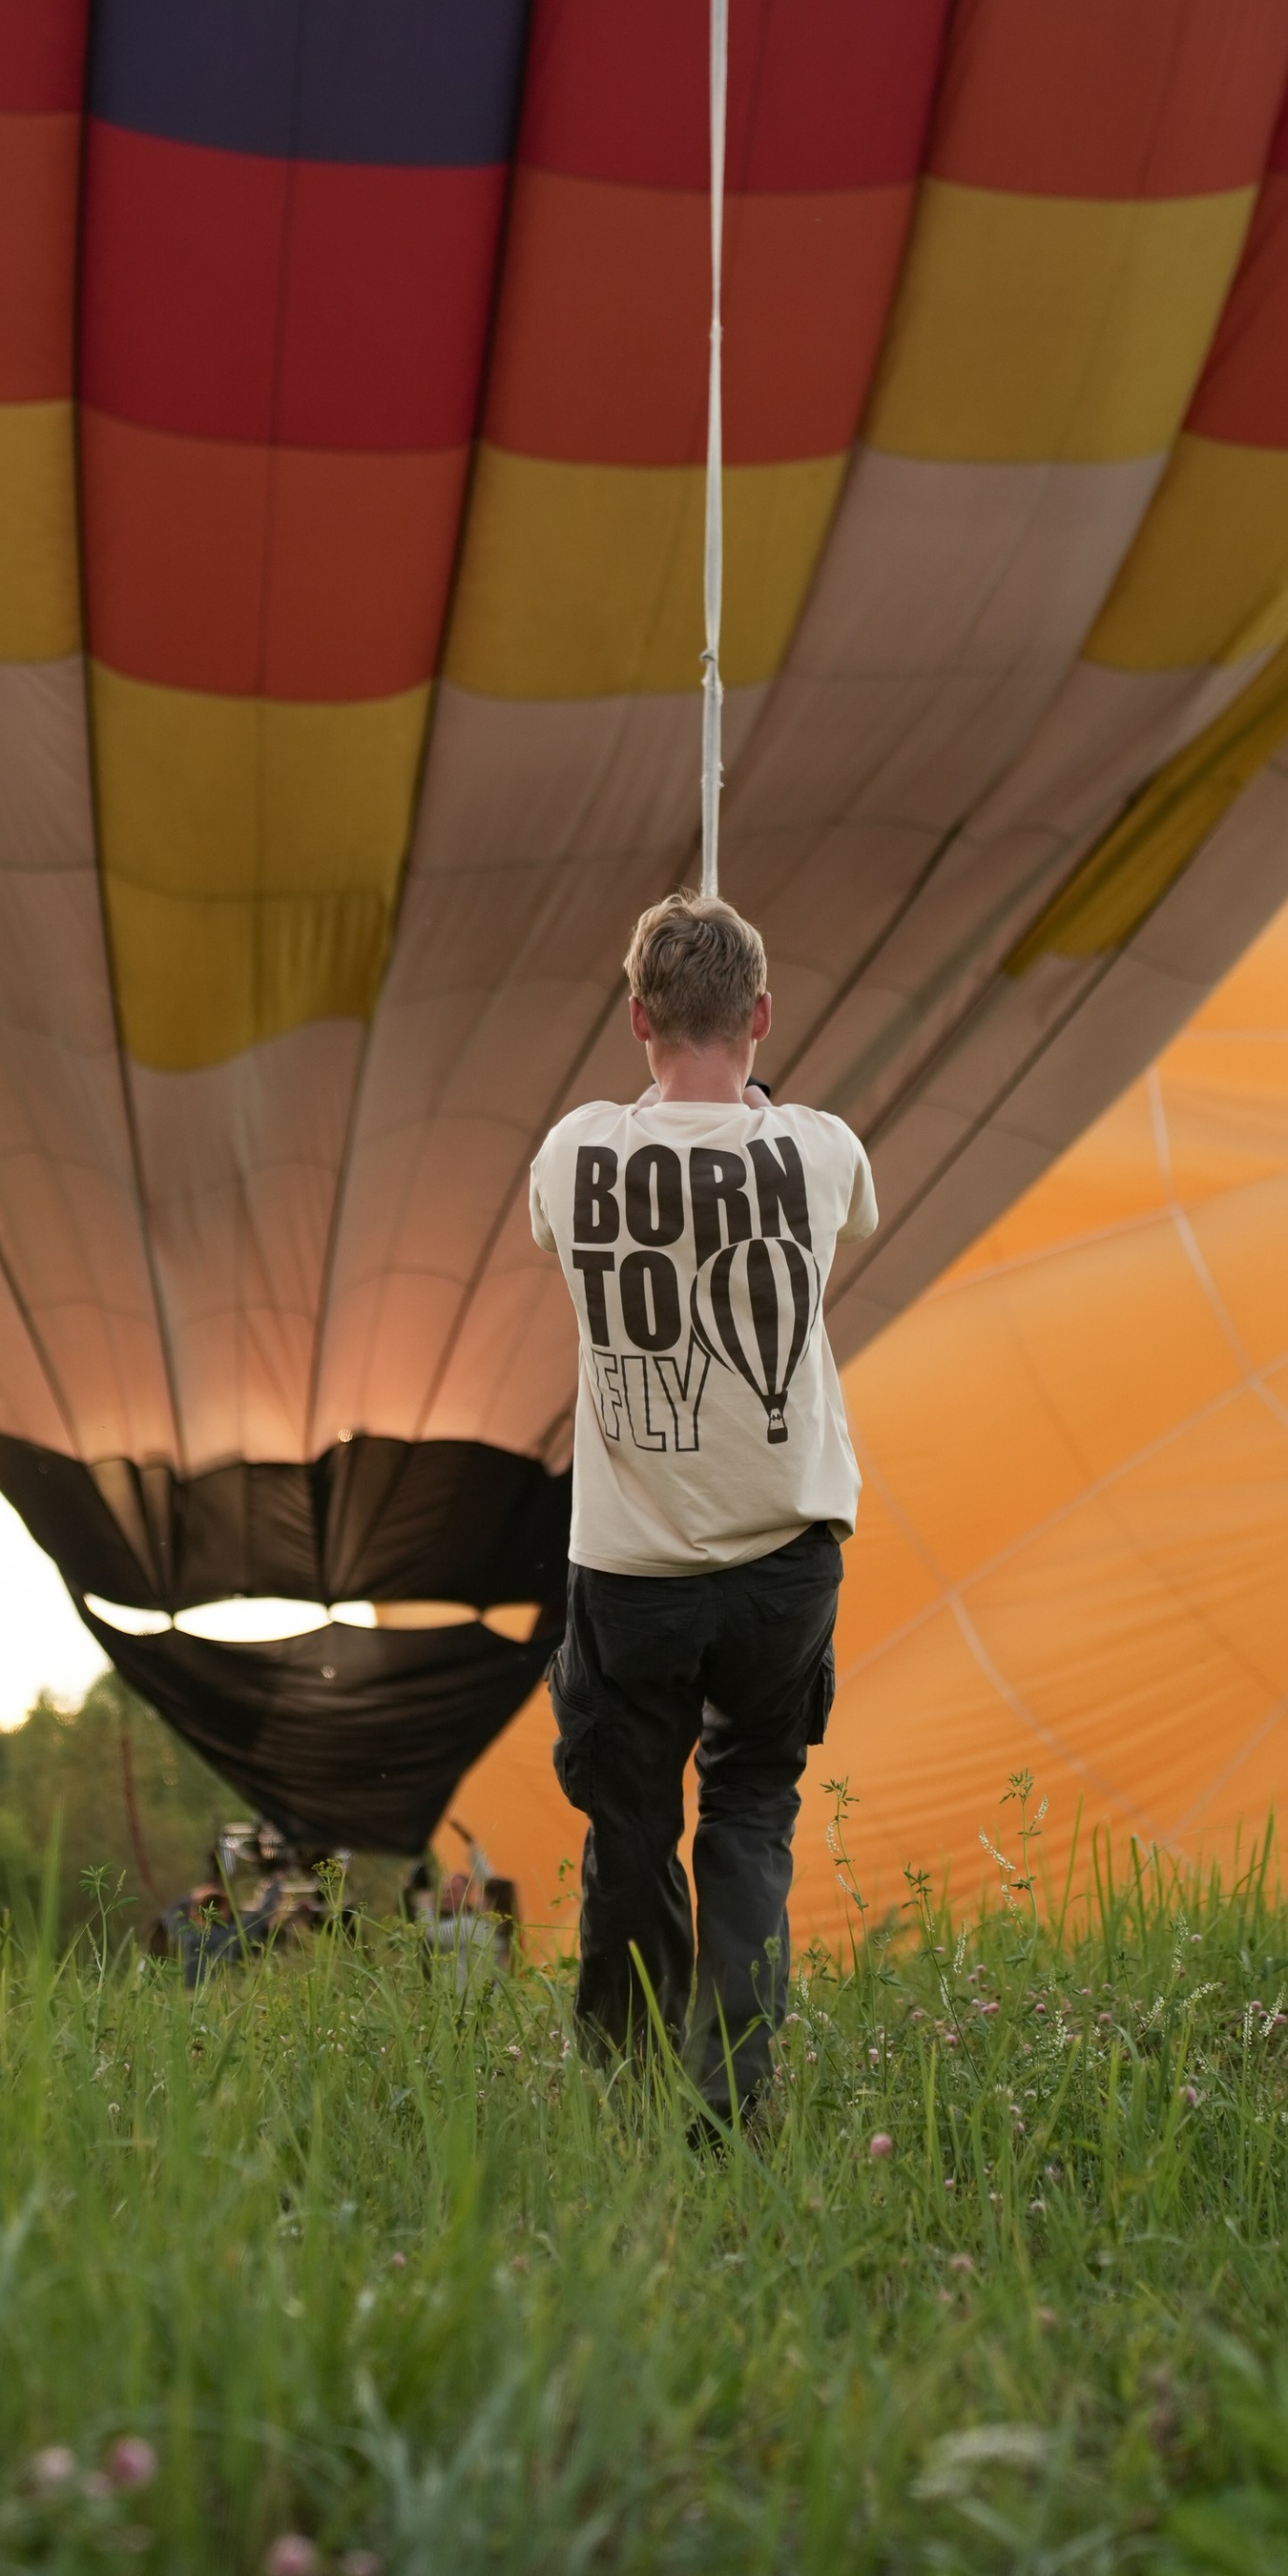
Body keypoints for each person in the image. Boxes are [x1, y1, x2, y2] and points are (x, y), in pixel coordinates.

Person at [529, 891, 877, 2126]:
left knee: (630, 1827)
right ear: (762, 1015)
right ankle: (732, 2100)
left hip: (633, 1568)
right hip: (785, 1557)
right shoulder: (820, 1149)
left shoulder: (573, 1153)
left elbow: (563, 1227)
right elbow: (845, 1207)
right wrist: (759, 1111)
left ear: (636, 1018)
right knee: (748, 1812)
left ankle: (623, 2091)